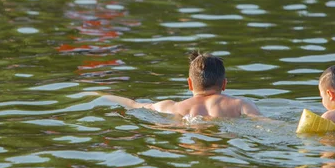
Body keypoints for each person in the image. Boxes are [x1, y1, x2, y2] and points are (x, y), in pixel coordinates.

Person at [103, 50, 261, 118]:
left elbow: (132, 104)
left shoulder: (173, 107)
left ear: (190, 84)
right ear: (224, 84)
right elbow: (265, 124)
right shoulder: (240, 104)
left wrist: (99, 95)